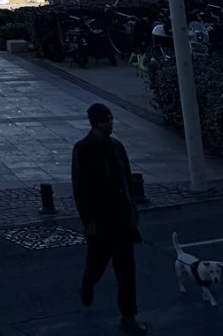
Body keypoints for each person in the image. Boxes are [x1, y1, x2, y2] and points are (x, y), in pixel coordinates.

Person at [71, 103, 146, 333]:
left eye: (111, 119)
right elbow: (80, 187)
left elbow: (126, 179)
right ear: (95, 124)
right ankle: (88, 282)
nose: (110, 124)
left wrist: (132, 212)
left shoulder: (117, 147)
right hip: (101, 219)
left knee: (126, 271)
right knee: (98, 264)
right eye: (106, 120)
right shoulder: (83, 149)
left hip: (122, 218)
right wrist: (89, 221)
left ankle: (129, 315)